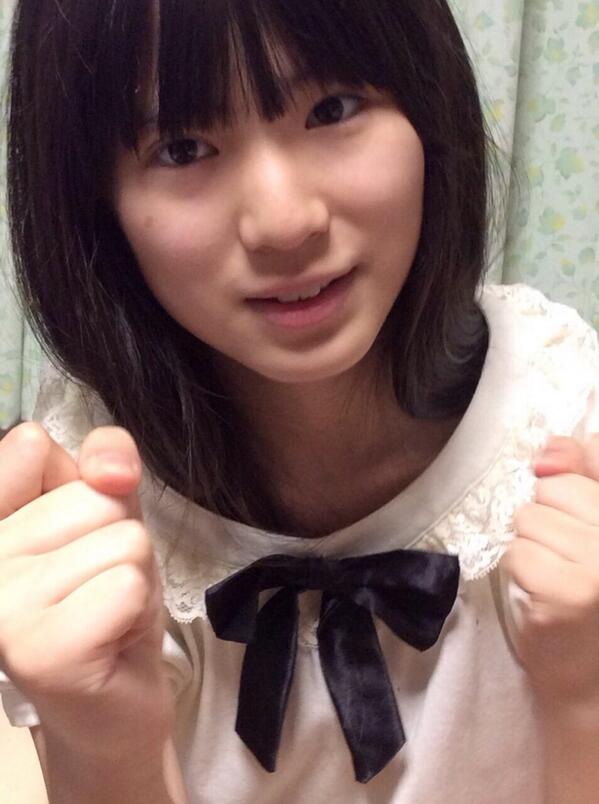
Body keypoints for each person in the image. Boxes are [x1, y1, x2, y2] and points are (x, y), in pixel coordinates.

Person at [1, 0, 599, 802]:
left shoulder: (564, 416)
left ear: (429, 110)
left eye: (333, 108)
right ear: (95, 206)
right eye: (182, 148)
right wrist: (105, 746)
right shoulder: (85, 509)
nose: (284, 223)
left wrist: (585, 696)